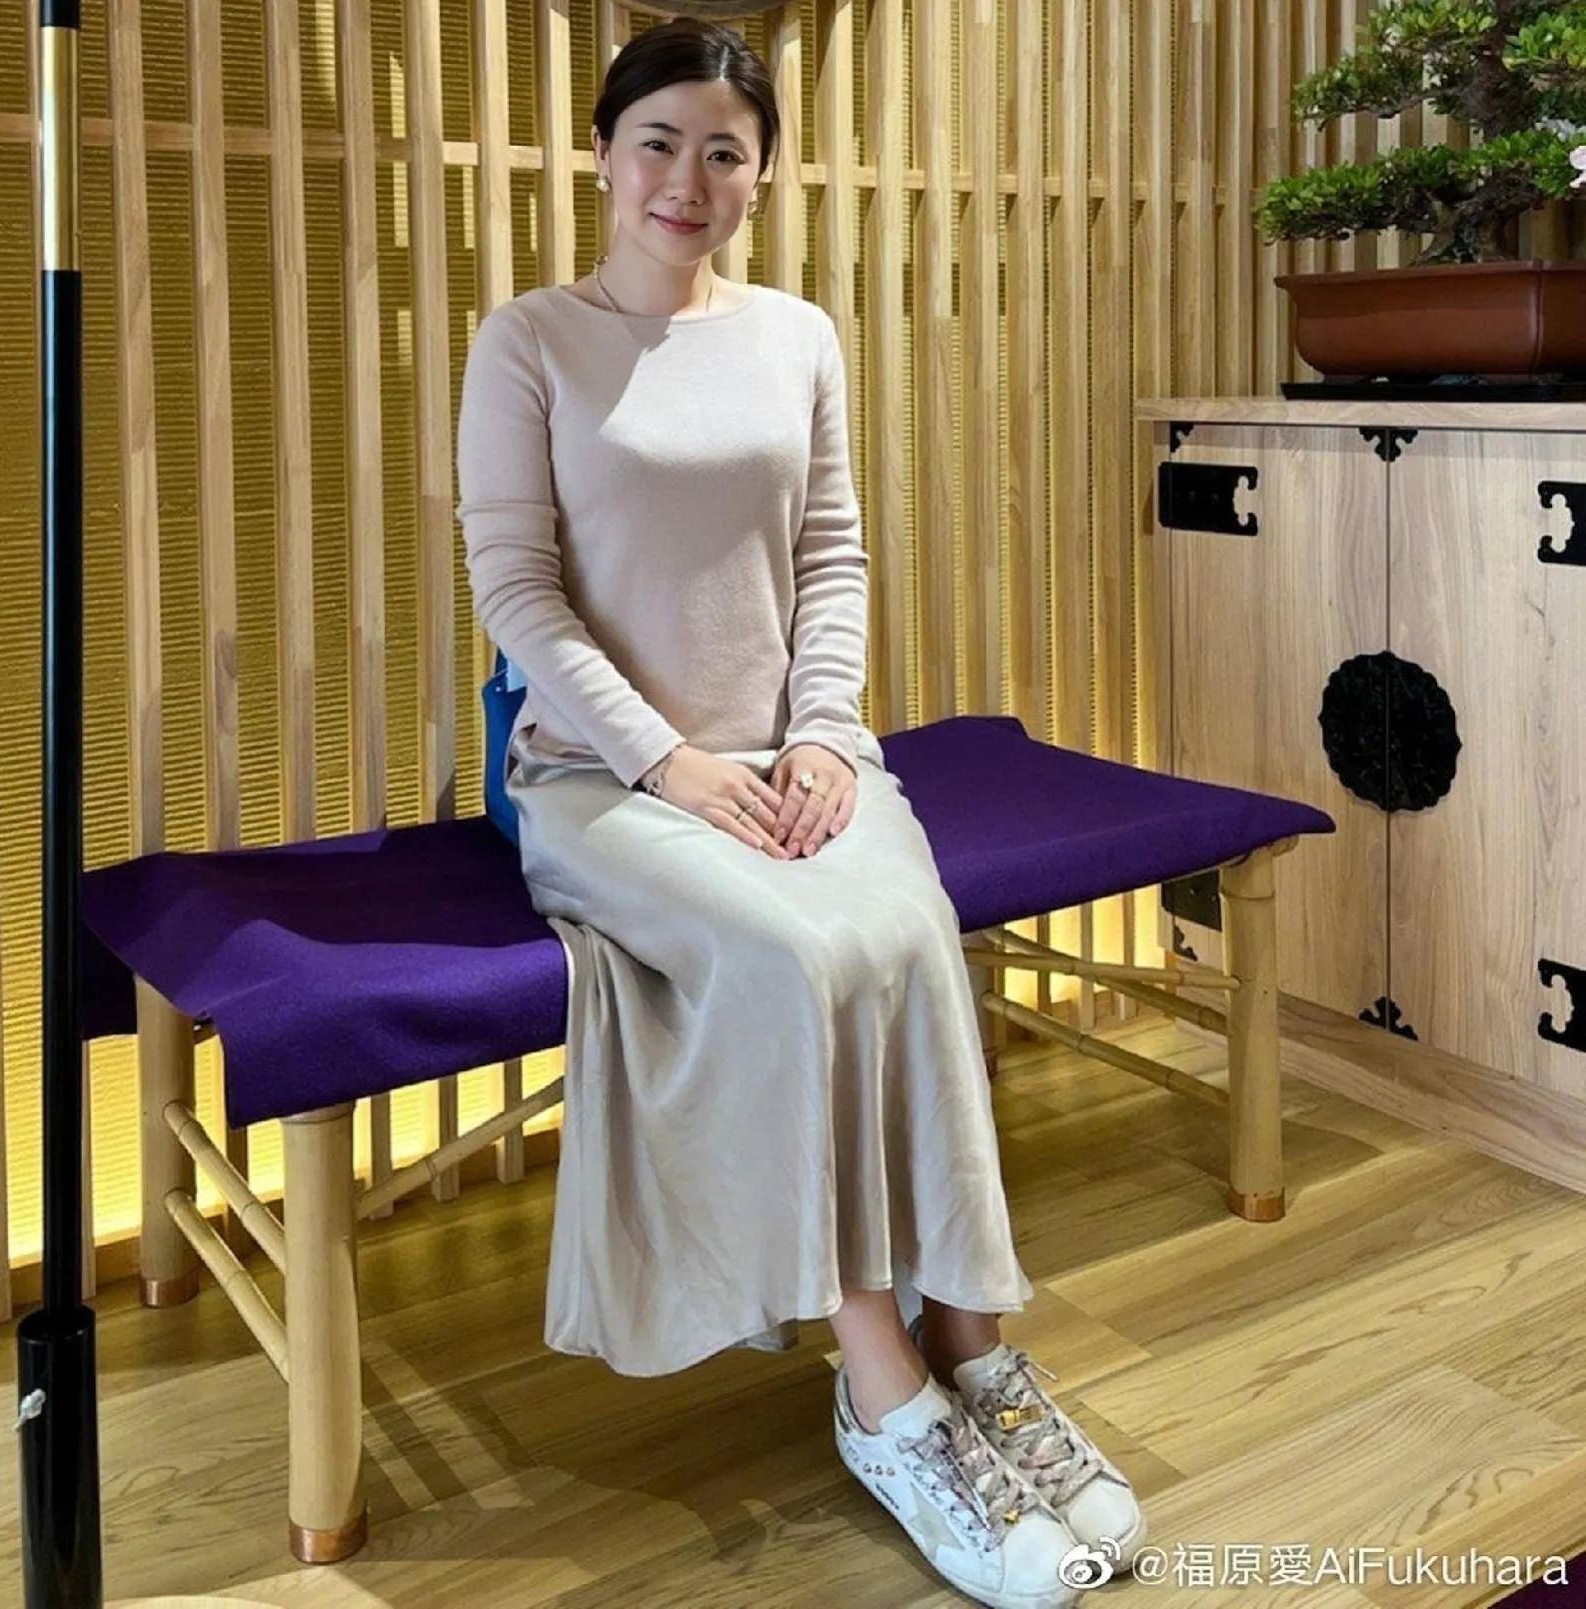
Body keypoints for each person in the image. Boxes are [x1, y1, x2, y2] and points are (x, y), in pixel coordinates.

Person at [454, 17, 1143, 1606]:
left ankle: (977, 1343)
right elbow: (517, 590)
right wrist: (667, 765)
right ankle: (881, 1383)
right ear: (601, 153)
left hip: (795, 756)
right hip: (598, 779)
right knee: (793, 956)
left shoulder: (796, 335)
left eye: (724, 151)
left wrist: (825, 734)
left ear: (761, 175)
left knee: (905, 929)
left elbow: (831, 555)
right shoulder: (529, 343)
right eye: (656, 142)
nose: (685, 178)